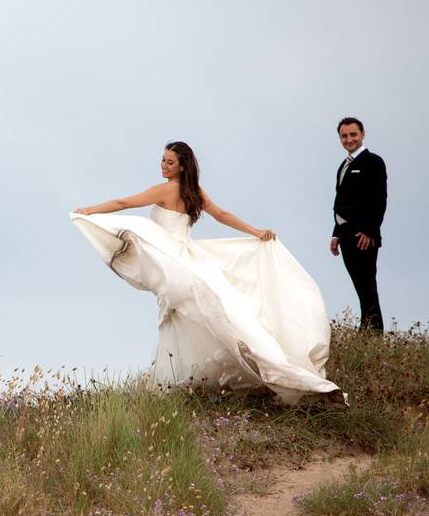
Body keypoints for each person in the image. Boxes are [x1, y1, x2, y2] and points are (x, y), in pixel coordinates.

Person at [71, 141, 342, 404]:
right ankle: (204, 377)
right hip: (187, 257)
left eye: (170, 162)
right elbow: (221, 215)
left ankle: (204, 377)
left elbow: (123, 203)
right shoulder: (194, 192)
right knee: (201, 315)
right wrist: (255, 230)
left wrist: (90, 211)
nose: (163, 166)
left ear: (182, 167)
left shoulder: (168, 190)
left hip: (173, 258)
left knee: (193, 315)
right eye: (162, 160)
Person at [330, 117, 386, 332]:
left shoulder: (373, 162)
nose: (349, 139)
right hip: (345, 235)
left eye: (353, 134)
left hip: (362, 236)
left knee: (367, 287)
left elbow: (379, 199)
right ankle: (366, 332)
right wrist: (336, 234)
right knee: (360, 286)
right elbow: (341, 203)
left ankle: (373, 335)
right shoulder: (343, 166)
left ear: (362, 134)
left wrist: (370, 231)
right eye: (344, 136)